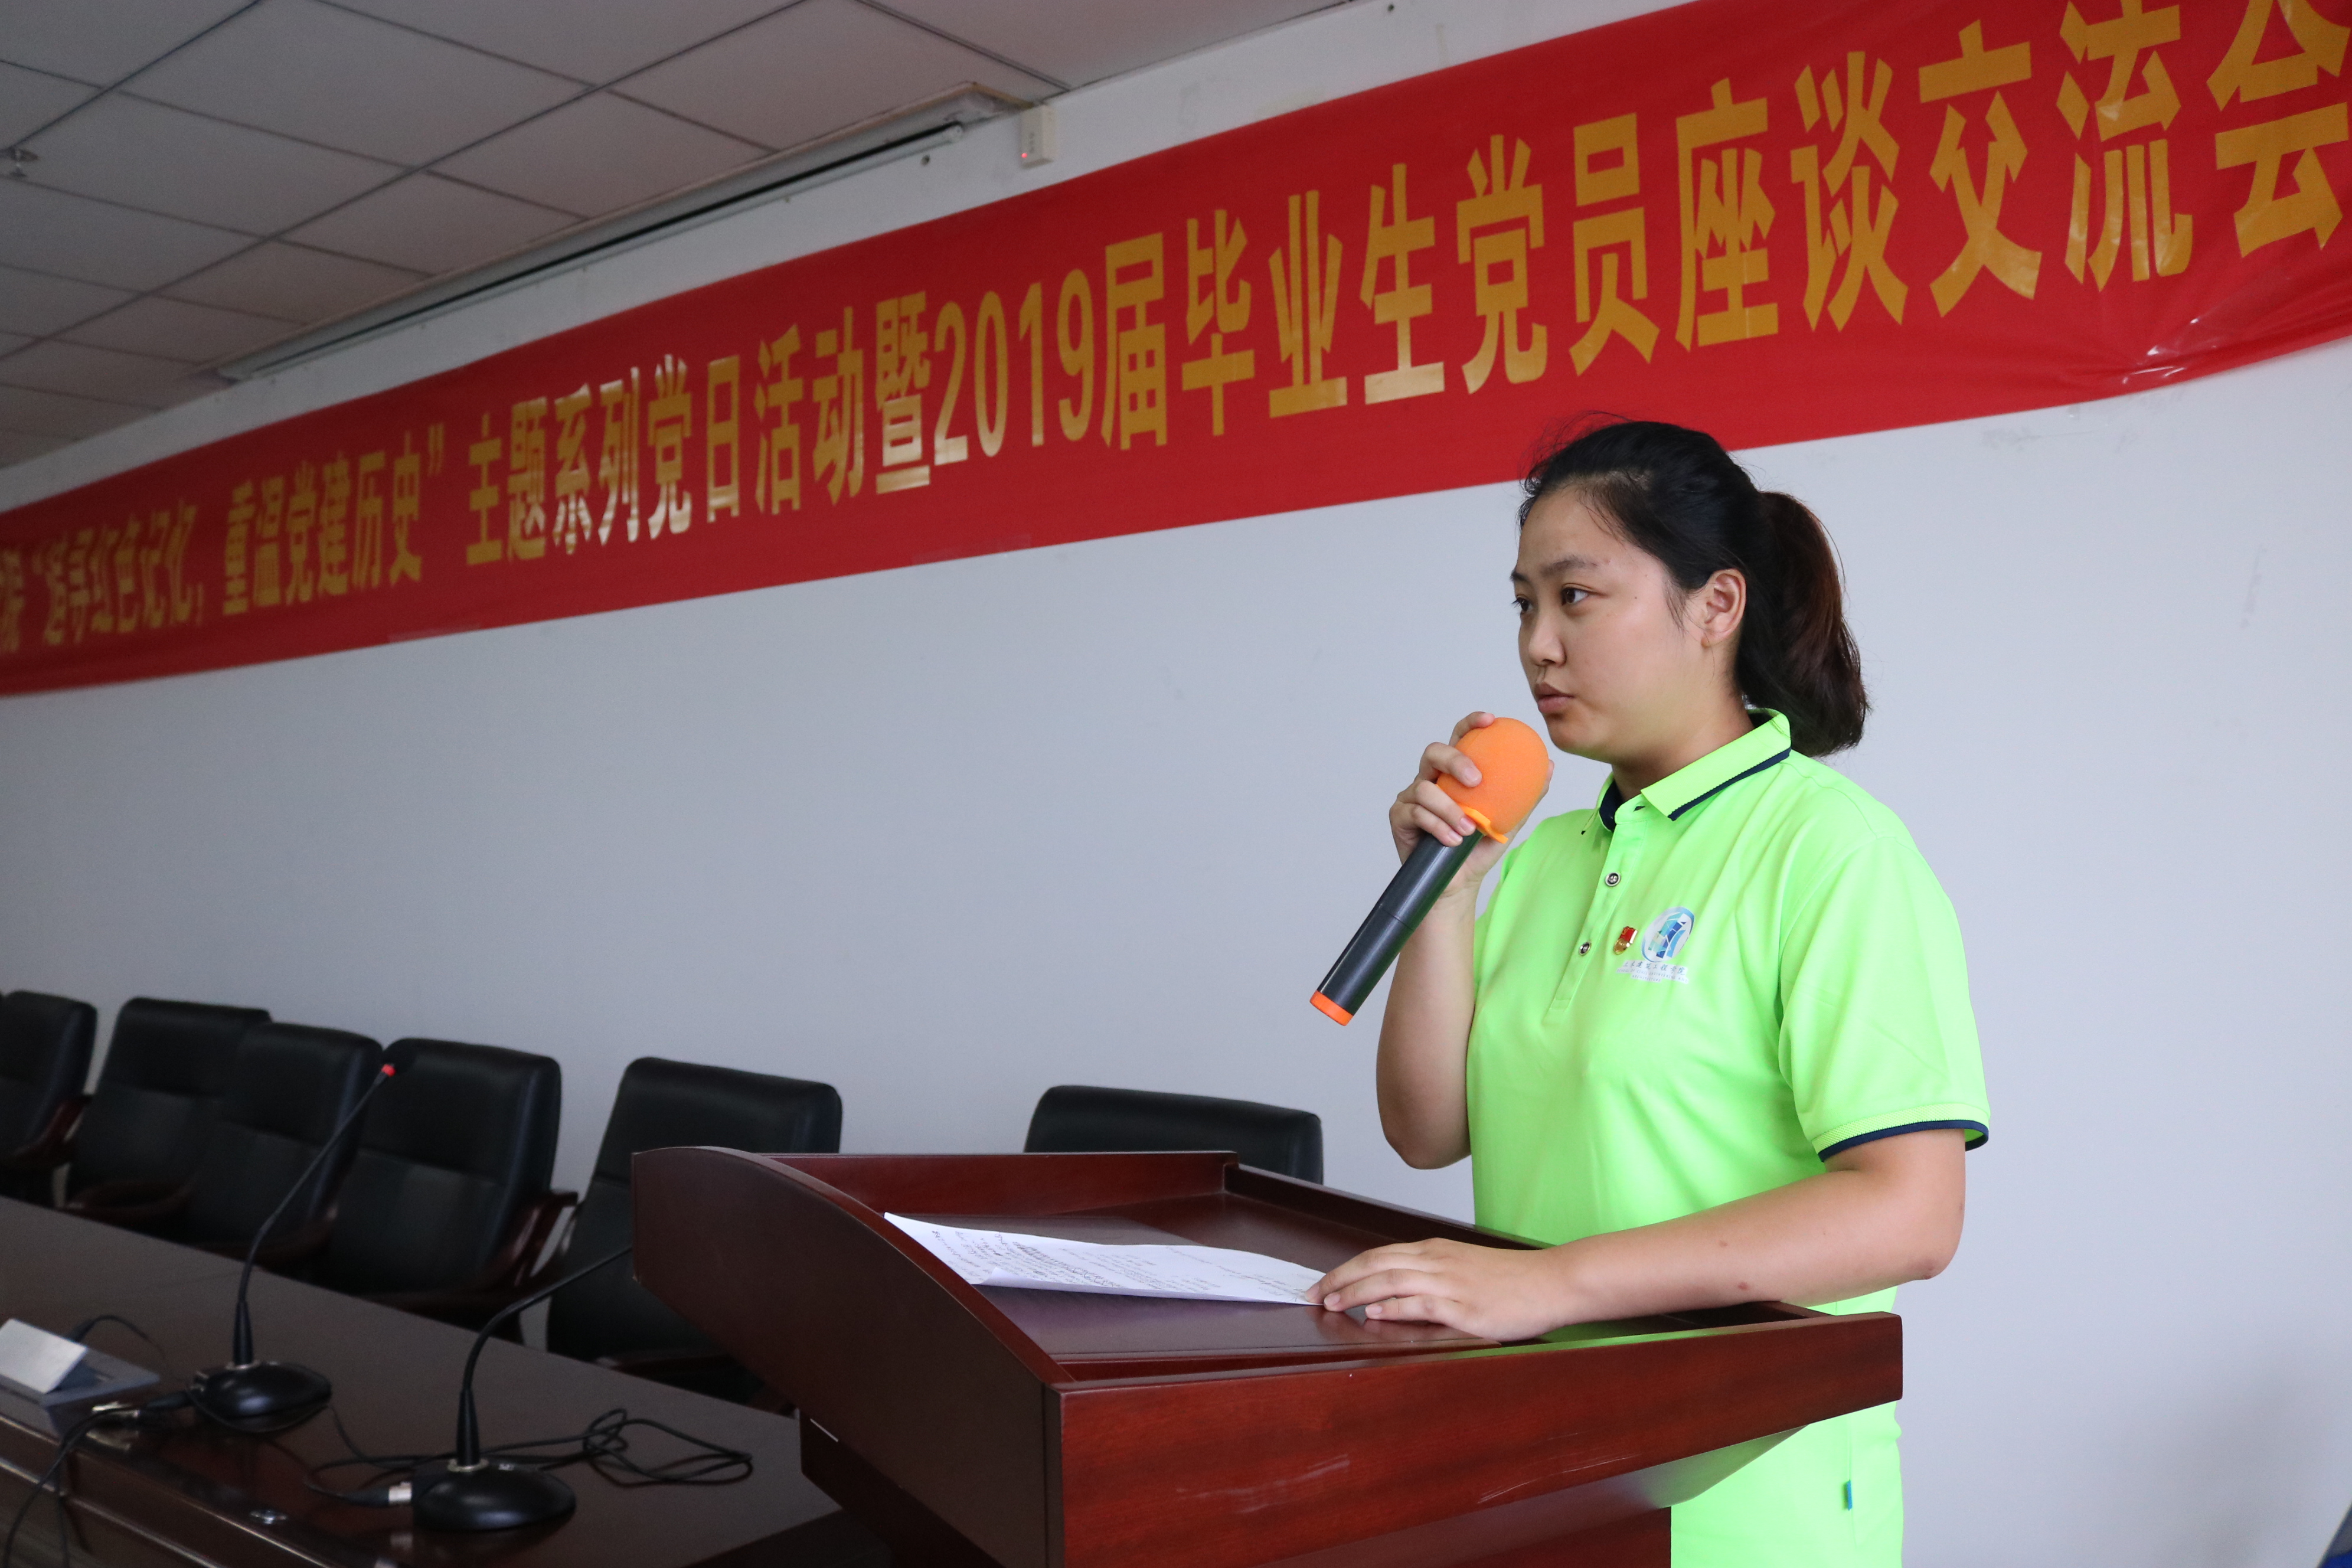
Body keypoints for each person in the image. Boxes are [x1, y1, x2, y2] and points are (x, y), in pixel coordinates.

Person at [1312, 419, 1988, 1566]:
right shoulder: (1546, 854)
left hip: (1745, 1500)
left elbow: (1911, 1215)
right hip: (1545, 1468)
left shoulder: (1830, 851)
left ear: (1715, 606)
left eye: (1577, 598)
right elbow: (1428, 1131)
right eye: (1523, 604)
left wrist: (1550, 1285)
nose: (1538, 646)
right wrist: (1449, 894)